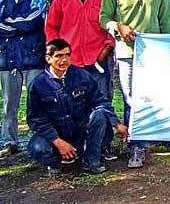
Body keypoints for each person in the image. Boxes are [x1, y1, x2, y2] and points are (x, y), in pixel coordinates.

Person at [100, 0, 170, 168]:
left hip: (154, 54)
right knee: (132, 99)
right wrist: (118, 27)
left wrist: (169, 49)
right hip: (126, 52)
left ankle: (162, 138)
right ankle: (135, 147)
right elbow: (103, 18)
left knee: (157, 96)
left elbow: (166, 21)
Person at [45, 0, 116, 159]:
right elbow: (51, 28)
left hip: (97, 60)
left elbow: (112, 24)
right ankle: (75, 145)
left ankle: (104, 144)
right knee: (71, 104)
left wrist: (107, 47)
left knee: (102, 102)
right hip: (71, 61)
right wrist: (57, 54)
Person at [27, 39, 128, 174]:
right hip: (57, 134)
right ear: (48, 58)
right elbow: (36, 119)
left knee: (100, 115)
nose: (64, 60)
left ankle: (91, 160)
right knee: (38, 148)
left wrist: (116, 123)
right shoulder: (38, 85)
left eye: (67, 55)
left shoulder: (81, 76)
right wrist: (58, 142)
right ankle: (60, 161)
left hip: (81, 130)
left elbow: (100, 101)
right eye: (58, 56)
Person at [0, 0, 47, 157]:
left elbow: (34, 20)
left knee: (36, 100)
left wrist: (9, 23)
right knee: (9, 103)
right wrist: (18, 25)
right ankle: (10, 141)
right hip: (7, 56)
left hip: (33, 55)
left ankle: (40, 139)